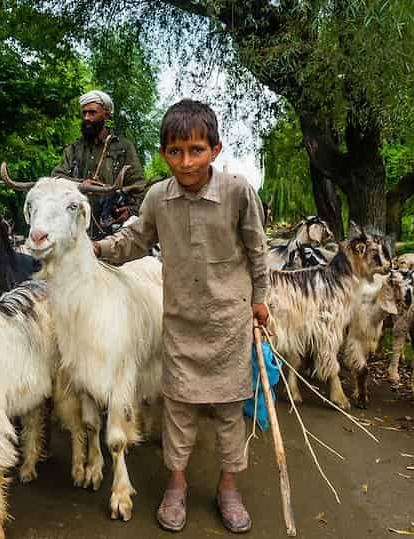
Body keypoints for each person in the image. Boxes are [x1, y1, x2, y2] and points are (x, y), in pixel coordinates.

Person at [93, 99, 269, 534]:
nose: (186, 161)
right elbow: (134, 240)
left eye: (195, 150)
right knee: (179, 411)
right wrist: (95, 250)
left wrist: (261, 299)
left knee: (229, 412)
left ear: (215, 149)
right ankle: (176, 486)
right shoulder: (158, 198)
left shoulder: (237, 192)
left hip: (229, 323)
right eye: (175, 151)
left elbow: (257, 249)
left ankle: (229, 487)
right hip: (180, 322)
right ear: (163, 154)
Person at [52, 90, 145, 235]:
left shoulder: (123, 148)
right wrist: (79, 184)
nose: (87, 118)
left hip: (112, 231)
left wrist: (131, 210)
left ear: (106, 115)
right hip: (77, 229)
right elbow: (56, 178)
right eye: (84, 113)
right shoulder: (74, 148)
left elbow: (138, 185)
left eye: (92, 113)